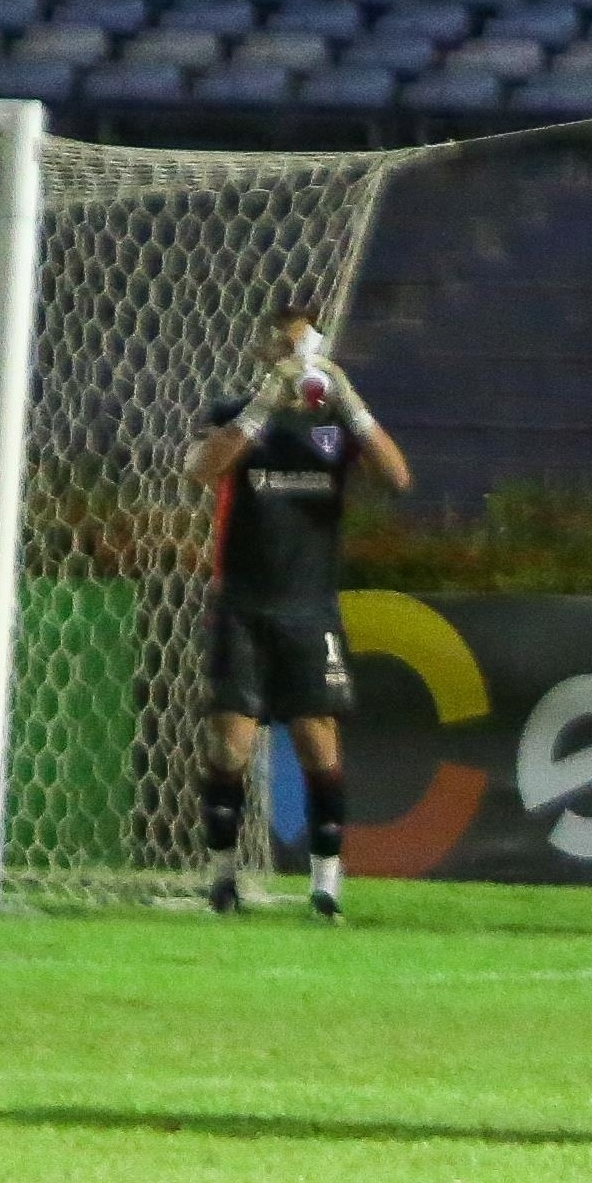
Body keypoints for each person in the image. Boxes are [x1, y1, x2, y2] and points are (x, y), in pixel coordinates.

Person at [183, 307, 411, 920]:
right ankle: (223, 882)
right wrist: (264, 402)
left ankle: (326, 888)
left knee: (318, 744)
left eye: (305, 344)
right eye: (286, 345)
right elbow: (202, 470)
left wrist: (351, 398)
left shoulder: (336, 423)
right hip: (243, 604)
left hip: (310, 608)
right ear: (266, 353)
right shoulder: (236, 414)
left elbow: (397, 477)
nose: (296, 355)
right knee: (230, 746)